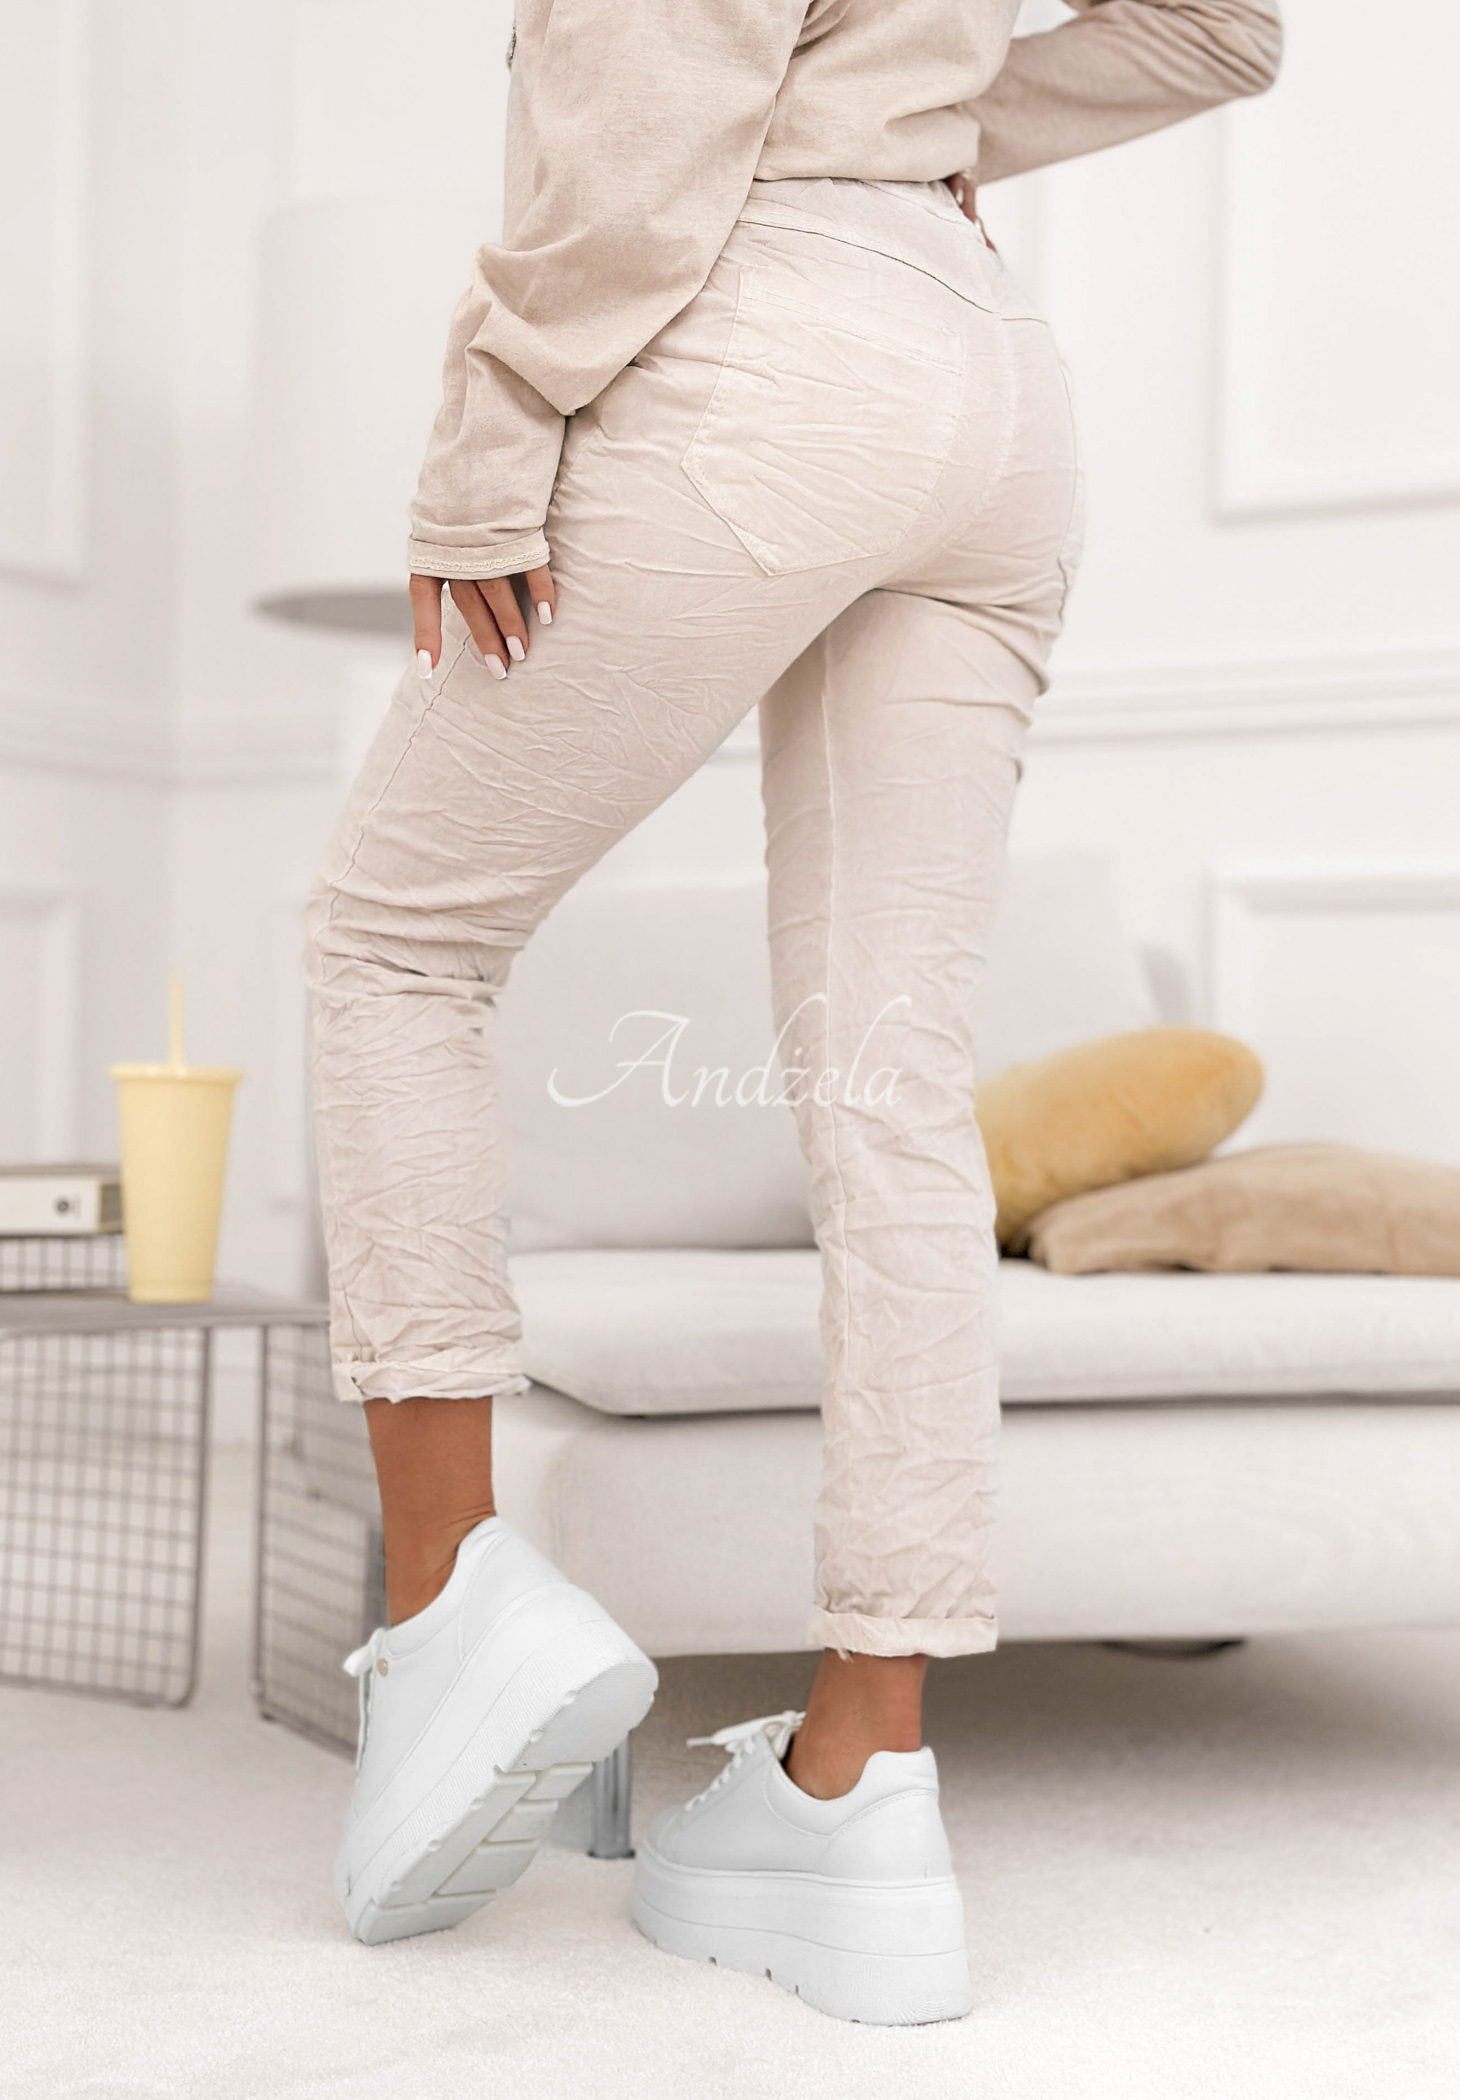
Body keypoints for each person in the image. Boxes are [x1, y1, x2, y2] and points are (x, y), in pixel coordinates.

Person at [305, 0, 1281, 2024]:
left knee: (396, 941)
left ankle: (454, 1611)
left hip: (759, 333)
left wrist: (489, 436)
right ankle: (861, 1780)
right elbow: (1223, 28)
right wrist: (928, 125)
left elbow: (650, 78)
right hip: (989, 381)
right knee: (892, 1082)